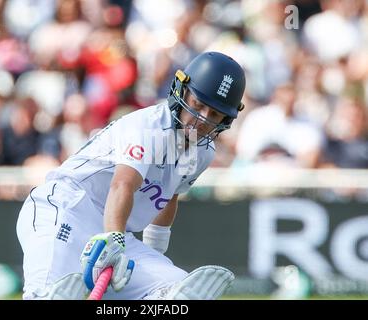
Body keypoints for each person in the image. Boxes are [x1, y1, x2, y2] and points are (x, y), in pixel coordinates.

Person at [16, 51, 246, 300]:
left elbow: (169, 197)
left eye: (214, 114)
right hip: (65, 210)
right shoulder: (148, 127)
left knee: (175, 292)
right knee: (49, 296)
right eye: (198, 105)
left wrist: (154, 253)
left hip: (114, 231)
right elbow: (122, 185)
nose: (202, 119)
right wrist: (113, 239)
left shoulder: (202, 153)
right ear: (181, 90)